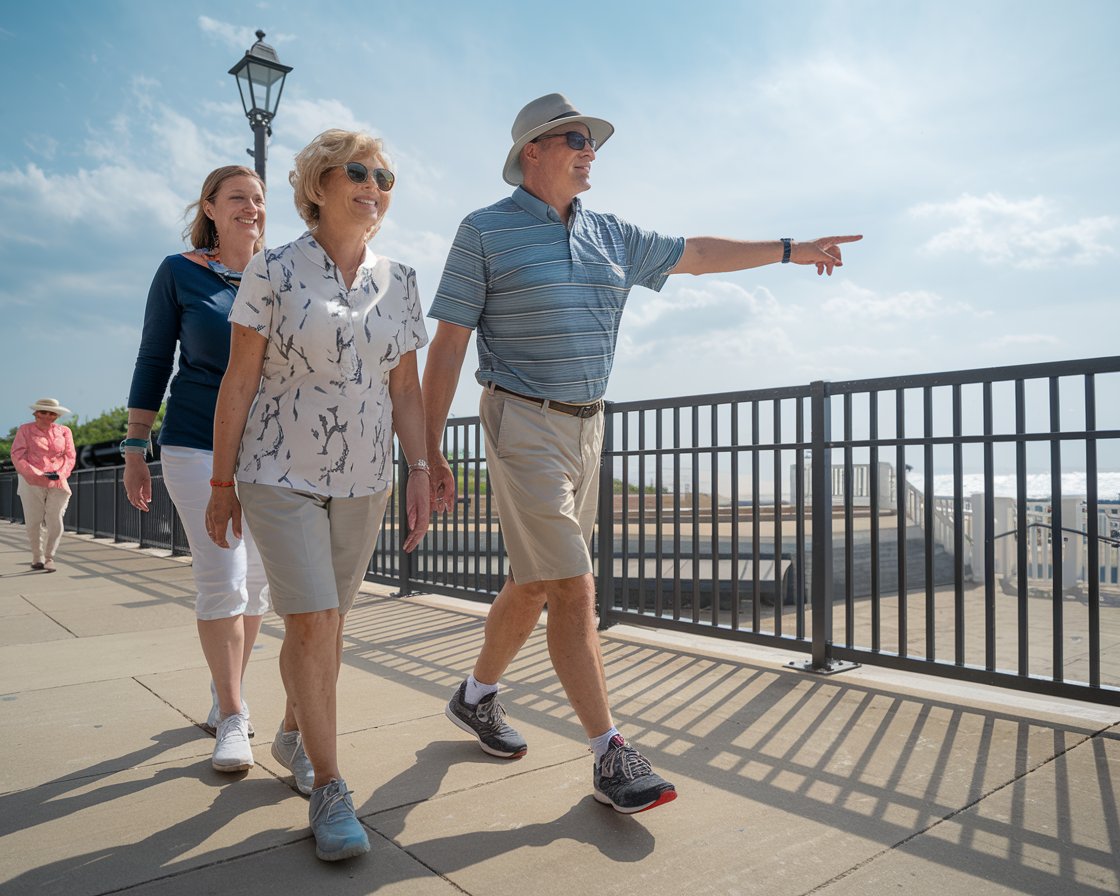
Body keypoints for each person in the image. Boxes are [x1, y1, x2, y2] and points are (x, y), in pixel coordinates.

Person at [423, 93, 862, 815]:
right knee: (574, 586)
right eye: (574, 137)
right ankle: (609, 753)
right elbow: (447, 345)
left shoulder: (610, 234)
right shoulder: (484, 232)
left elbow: (695, 255)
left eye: (593, 139)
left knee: (535, 581)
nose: (589, 147)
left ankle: (475, 697)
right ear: (532, 151)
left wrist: (790, 249)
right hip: (520, 421)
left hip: (588, 427)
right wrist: (429, 453)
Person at [204, 129, 430, 863]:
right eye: (358, 171)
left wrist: (423, 467)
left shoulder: (401, 280)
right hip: (278, 472)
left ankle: (297, 733)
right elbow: (239, 380)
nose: (375, 185)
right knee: (312, 620)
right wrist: (220, 481)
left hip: (365, 479)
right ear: (318, 185)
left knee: (327, 628)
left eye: (385, 177)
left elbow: (405, 386)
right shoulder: (270, 270)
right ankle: (332, 786)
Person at [123, 165, 274, 777]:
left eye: (259, 199)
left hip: (269, 450)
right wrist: (136, 446)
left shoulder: (279, 272)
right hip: (194, 441)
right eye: (238, 197)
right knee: (223, 574)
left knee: (261, 583)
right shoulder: (181, 271)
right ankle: (235, 717)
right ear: (210, 207)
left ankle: (225, 690)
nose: (251, 207)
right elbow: (155, 356)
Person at [11, 398, 77, 572]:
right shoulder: (25, 430)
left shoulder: (64, 431)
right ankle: (36, 557)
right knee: (34, 521)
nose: (48, 416)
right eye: (43, 412)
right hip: (30, 480)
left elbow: (70, 456)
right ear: (36, 413)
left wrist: (61, 473)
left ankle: (49, 557)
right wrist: (36, 473)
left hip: (57, 480)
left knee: (55, 520)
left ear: (56, 416)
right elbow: (17, 455)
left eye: (52, 413)